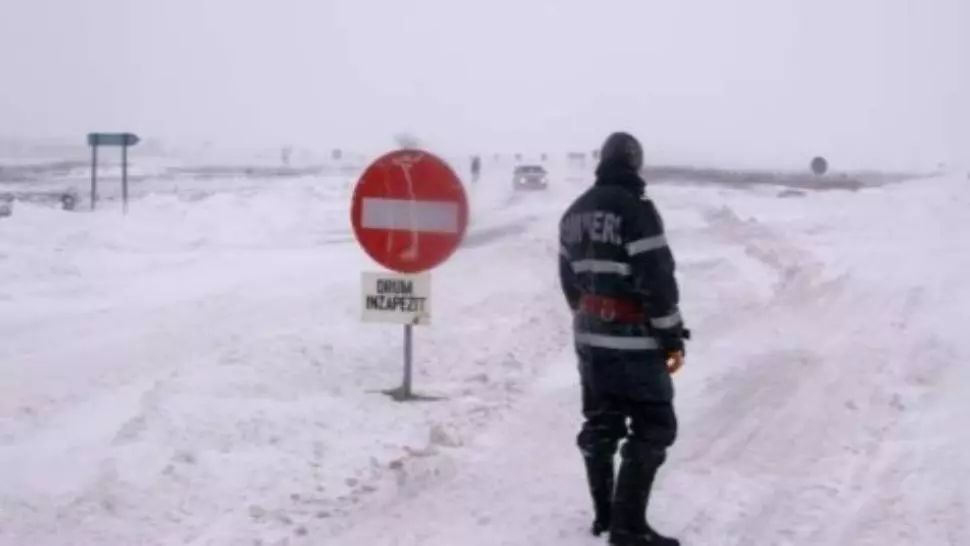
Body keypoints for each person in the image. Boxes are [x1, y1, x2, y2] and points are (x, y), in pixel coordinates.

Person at [558, 132, 687, 546]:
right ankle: (627, 527)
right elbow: (657, 280)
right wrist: (670, 336)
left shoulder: (573, 213)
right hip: (633, 342)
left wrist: (591, 319)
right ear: (634, 162)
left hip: (589, 340)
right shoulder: (636, 210)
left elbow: (569, 283)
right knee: (655, 426)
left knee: (601, 423)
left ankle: (604, 516)